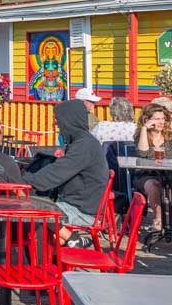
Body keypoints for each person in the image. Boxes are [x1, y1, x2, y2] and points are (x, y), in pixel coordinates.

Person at [23, 99, 109, 246]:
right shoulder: (83, 142)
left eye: (59, 121)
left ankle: (67, 242)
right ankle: (67, 242)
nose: (57, 125)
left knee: (30, 210)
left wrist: (24, 180)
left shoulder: (84, 146)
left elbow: (55, 174)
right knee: (35, 206)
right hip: (79, 204)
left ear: (69, 121)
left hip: (81, 210)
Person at [133, 103, 172, 235]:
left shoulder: (170, 136)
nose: (161, 122)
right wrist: (145, 129)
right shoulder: (141, 135)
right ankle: (158, 221)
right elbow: (142, 153)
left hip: (170, 173)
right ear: (147, 120)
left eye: (163, 118)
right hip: (147, 174)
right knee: (154, 187)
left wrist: (169, 163)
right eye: (157, 119)